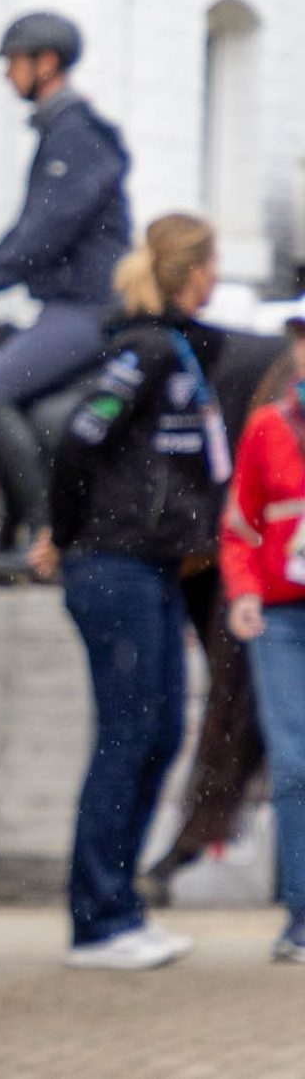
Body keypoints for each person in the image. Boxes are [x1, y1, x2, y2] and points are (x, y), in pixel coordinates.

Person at [33, 214, 230, 969]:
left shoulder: (179, 349)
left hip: (152, 567)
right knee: (126, 736)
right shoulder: (143, 350)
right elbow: (81, 437)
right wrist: (67, 529)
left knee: (158, 736)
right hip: (111, 565)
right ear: (189, 272)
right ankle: (97, 921)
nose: (217, 279)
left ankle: (122, 908)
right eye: (210, 266)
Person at [0, 12, 132, 580]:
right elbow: (26, 236)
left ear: (46, 64)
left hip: (88, 309)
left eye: (13, 63)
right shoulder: (59, 132)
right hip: (63, 305)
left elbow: (39, 242)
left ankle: (40, 535)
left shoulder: (77, 136)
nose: (7, 75)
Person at [222, 315, 305, 963]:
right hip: (280, 620)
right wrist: (244, 589)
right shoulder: (268, 428)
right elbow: (241, 525)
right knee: (295, 764)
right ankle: (301, 916)